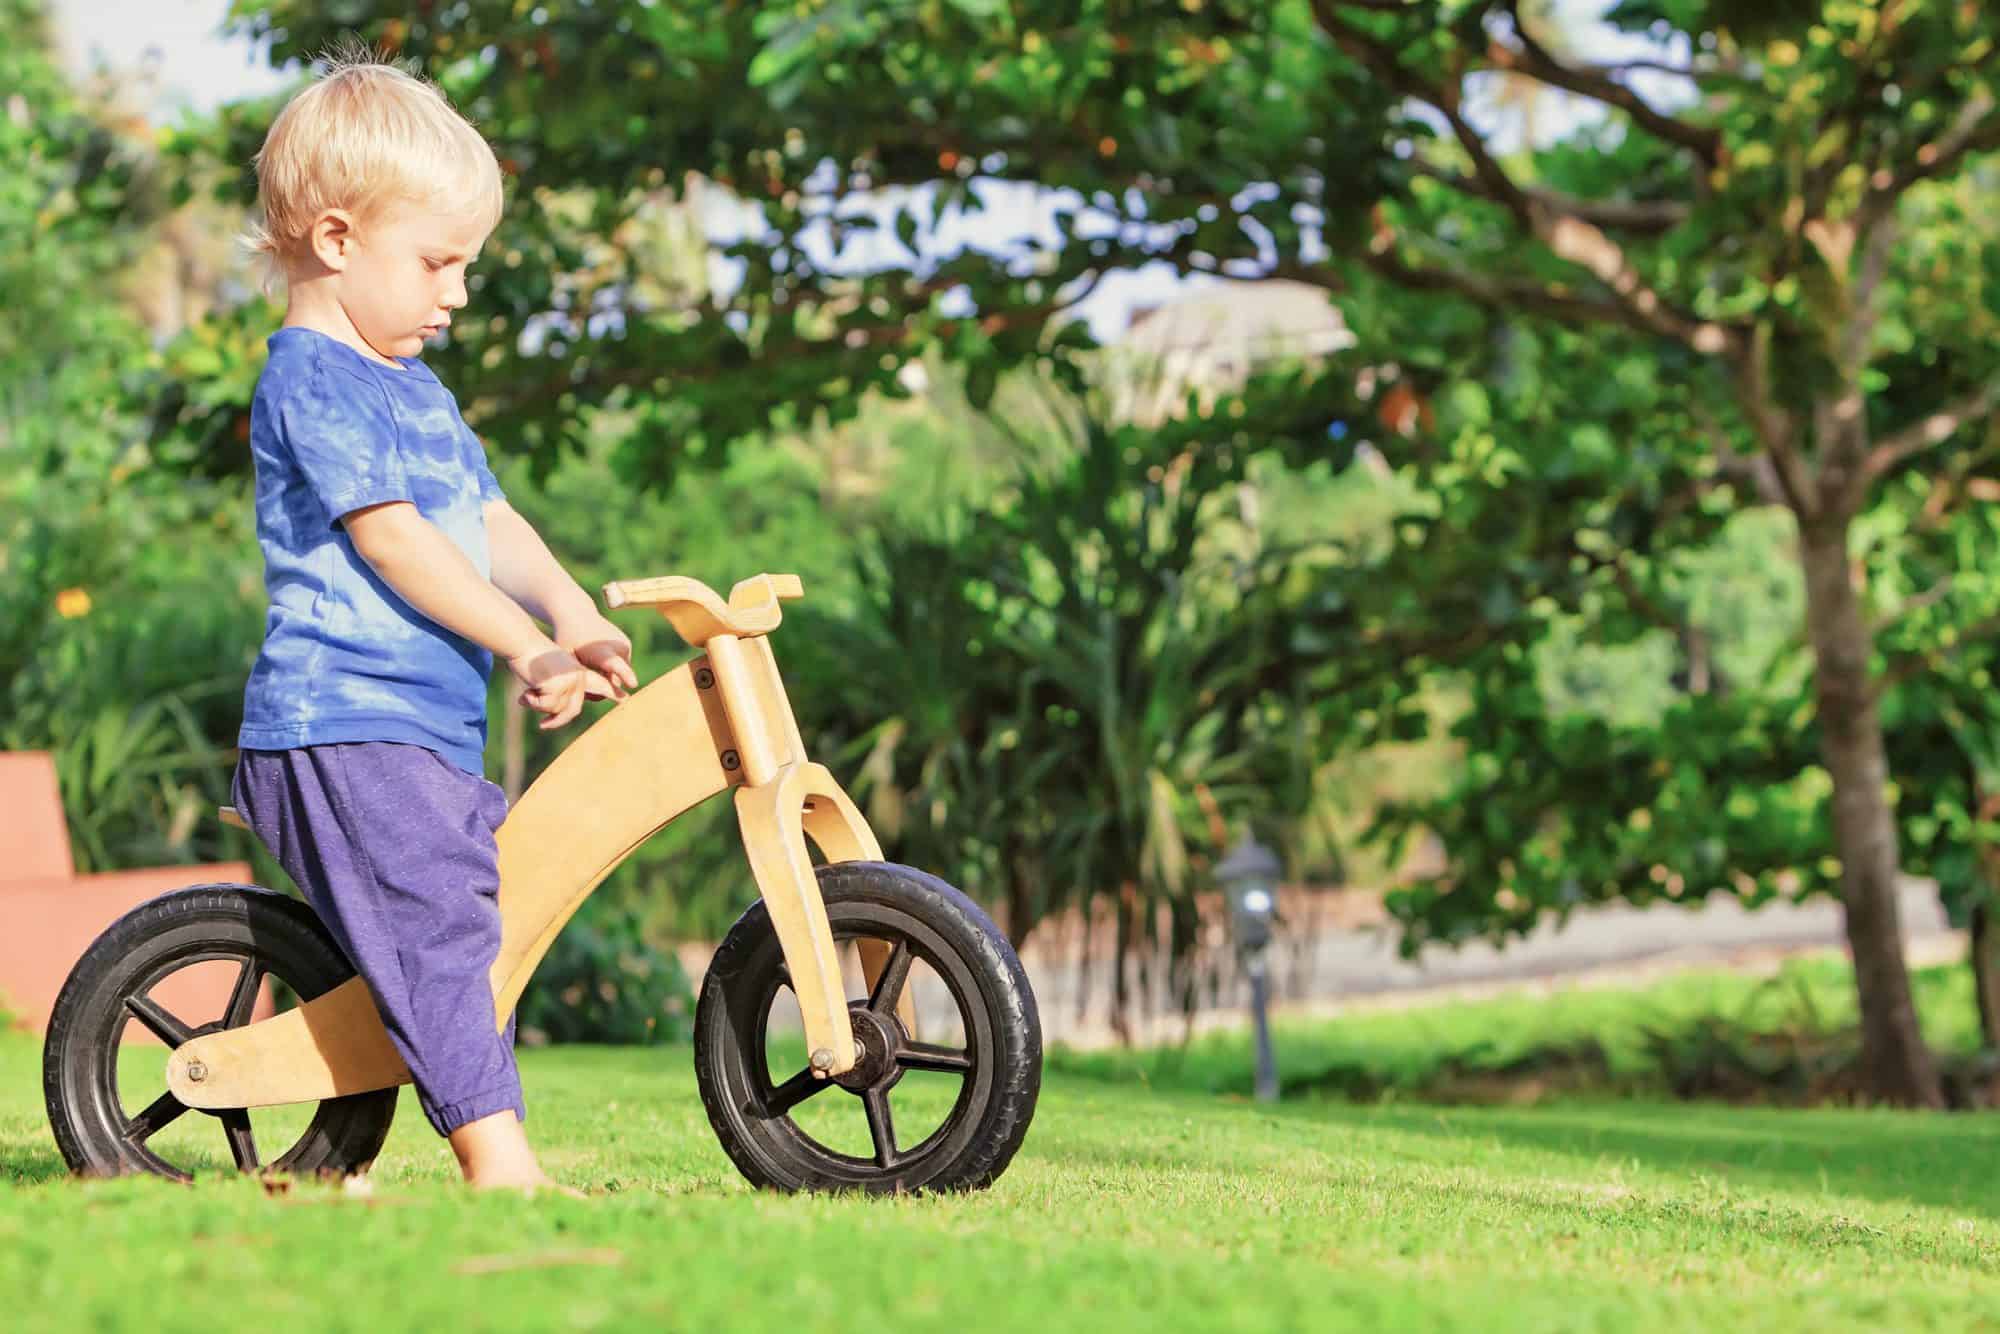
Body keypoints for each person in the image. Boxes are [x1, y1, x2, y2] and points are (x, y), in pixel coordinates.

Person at [226, 48, 638, 1194]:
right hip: (343, 722)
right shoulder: (312, 377)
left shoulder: (416, 390)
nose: (457, 292)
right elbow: (394, 536)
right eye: (438, 261)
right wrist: (521, 643)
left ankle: (460, 1117)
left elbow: (481, 516)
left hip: (418, 727)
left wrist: (567, 607)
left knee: (451, 927)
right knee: (440, 934)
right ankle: (496, 1163)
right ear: (339, 238)